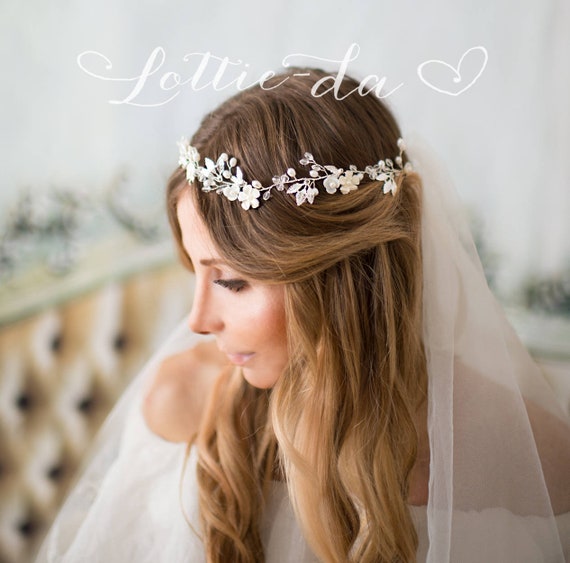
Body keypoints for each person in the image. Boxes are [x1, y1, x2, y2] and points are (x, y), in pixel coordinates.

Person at [36, 68, 570, 562]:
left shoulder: (529, 461)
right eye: (194, 273)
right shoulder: (183, 402)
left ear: (335, 284)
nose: (198, 319)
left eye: (231, 281)